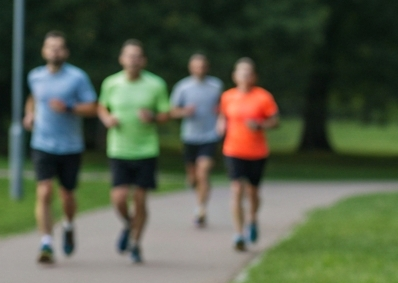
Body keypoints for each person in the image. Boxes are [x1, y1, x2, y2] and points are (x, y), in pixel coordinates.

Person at [23, 31, 97, 263]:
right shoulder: (35, 76)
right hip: (42, 142)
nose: (55, 51)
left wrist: (68, 108)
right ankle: (46, 242)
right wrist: (29, 114)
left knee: (67, 195)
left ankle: (68, 224)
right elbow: (34, 97)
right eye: (50, 47)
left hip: (70, 146)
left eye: (59, 47)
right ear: (44, 51)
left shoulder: (77, 78)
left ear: (65, 52)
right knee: (44, 191)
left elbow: (92, 107)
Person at [96, 40, 171, 264]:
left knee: (140, 200)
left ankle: (136, 243)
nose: (133, 60)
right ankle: (129, 225)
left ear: (144, 60)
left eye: (137, 56)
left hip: (146, 149)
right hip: (119, 148)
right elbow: (101, 106)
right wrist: (107, 118)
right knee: (119, 198)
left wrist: (154, 118)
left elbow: (166, 114)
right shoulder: (112, 83)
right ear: (122, 59)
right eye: (129, 56)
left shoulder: (155, 85)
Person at [217, 58, 278, 251]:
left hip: (257, 152)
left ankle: (252, 219)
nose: (244, 75)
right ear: (234, 76)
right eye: (241, 72)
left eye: (248, 72)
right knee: (236, 189)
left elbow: (275, 121)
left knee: (253, 192)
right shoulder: (227, 97)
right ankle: (238, 233)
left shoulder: (263, 97)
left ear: (254, 76)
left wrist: (260, 125)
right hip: (233, 150)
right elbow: (223, 116)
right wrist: (219, 125)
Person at [170, 53, 224, 228]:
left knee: (203, 172)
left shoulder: (216, 86)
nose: (199, 69)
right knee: (193, 177)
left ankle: (201, 209)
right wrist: (184, 112)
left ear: (207, 67)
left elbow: (223, 108)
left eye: (202, 66)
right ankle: (195, 184)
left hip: (209, 135)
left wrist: (222, 121)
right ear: (190, 68)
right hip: (190, 136)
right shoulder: (183, 87)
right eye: (196, 66)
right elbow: (172, 111)